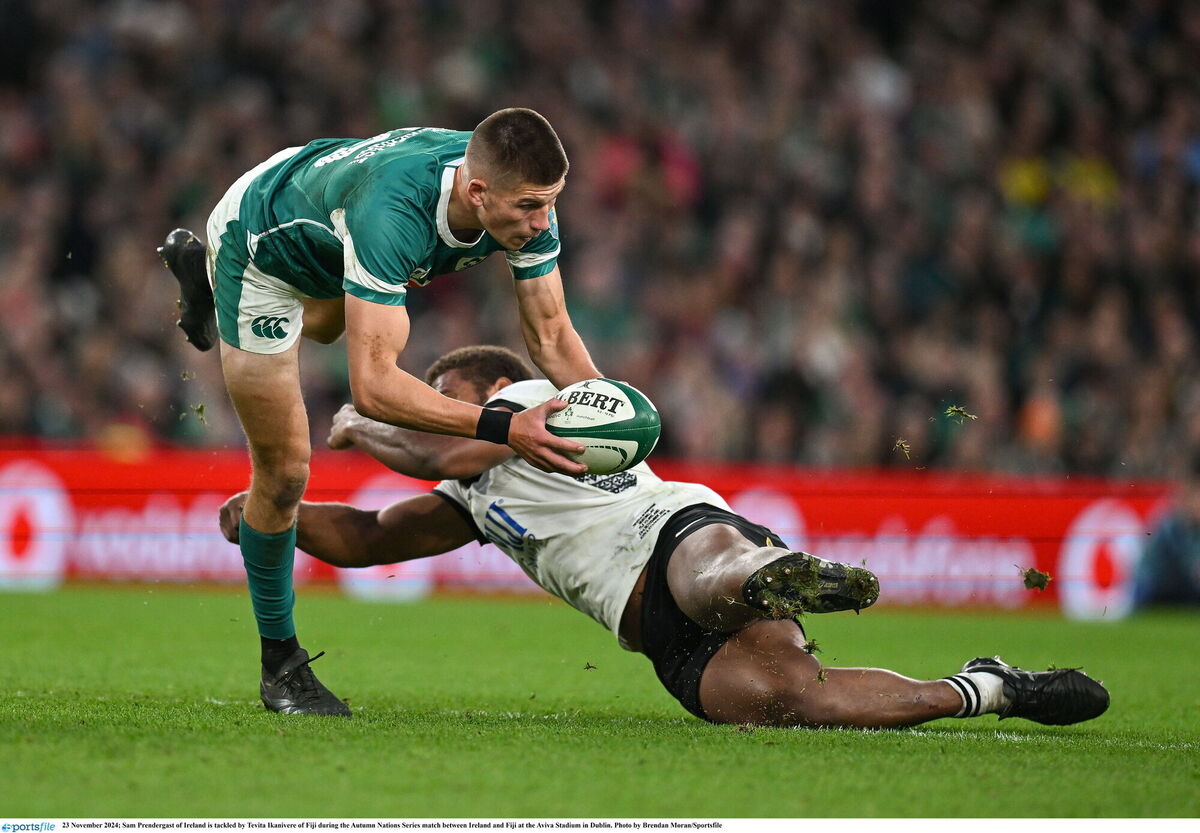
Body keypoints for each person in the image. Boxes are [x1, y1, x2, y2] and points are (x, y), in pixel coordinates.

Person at [219, 345, 1111, 728]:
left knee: (712, 577)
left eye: (447, 386)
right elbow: (370, 536)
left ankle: (777, 571)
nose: (433, 398)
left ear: (492, 388)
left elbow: (433, 443)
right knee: (791, 704)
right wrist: (270, 513)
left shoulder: (539, 406)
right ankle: (985, 688)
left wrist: (365, 423)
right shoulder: (477, 497)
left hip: (675, 531)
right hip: (652, 632)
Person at [160, 110, 602, 716]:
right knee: (287, 470)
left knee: (340, 320)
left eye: (550, 204)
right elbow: (372, 391)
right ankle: (281, 667)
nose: (544, 221)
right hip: (258, 243)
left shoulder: (509, 189)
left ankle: (207, 285)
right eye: (530, 206)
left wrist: (609, 409)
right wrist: (504, 427)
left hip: (328, 226)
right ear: (477, 193)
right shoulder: (394, 216)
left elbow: (551, 335)